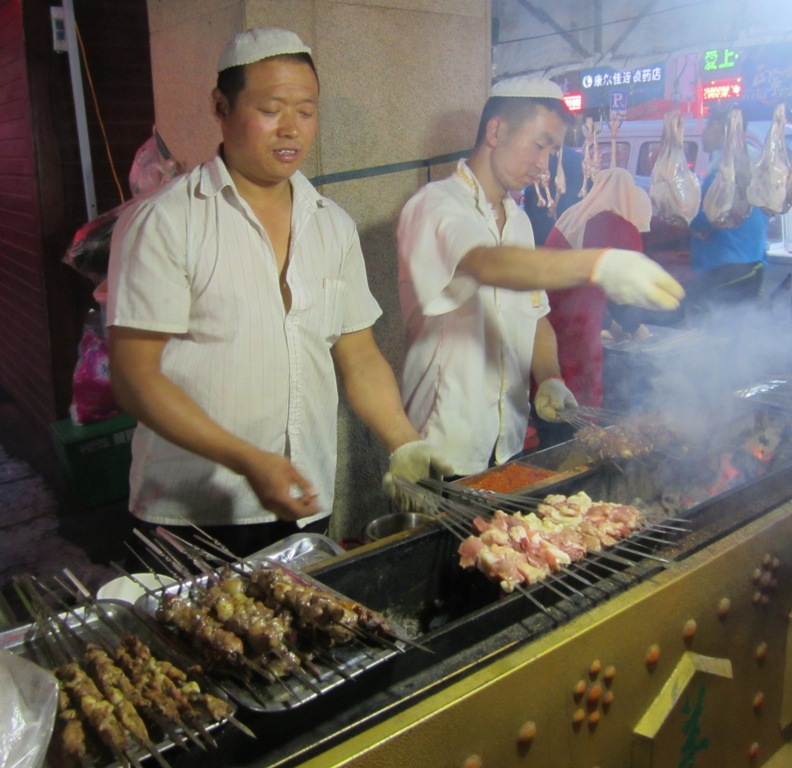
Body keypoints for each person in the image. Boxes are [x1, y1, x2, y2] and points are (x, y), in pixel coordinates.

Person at [106, 27, 449, 556]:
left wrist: (404, 442)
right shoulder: (167, 222)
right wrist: (249, 459)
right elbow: (134, 377)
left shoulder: (331, 224)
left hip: (303, 501)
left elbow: (357, 355)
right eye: (271, 109)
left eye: (306, 111)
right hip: (196, 512)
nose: (291, 128)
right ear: (220, 106)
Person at [396, 75, 685, 477]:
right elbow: (485, 264)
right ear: (496, 131)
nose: (543, 164)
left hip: (507, 442)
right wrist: (599, 265)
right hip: (442, 448)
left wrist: (549, 376)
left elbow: (535, 316)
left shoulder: (517, 221)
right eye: (539, 144)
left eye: (551, 151)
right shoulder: (435, 205)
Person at [544, 167, 653, 408]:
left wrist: (608, 323)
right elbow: (624, 292)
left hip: (547, 315)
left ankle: (554, 434)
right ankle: (577, 438)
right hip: (578, 323)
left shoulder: (574, 214)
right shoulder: (619, 226)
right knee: (578, 391)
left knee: (550, 384)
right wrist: (633, 326)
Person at [687, 108, 769, 317]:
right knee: (735, 332)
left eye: (706, 127)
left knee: (709, 330)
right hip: (752, 262)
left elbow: (709, 217)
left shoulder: (725, 169)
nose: (703, 135)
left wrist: (691, 223)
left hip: (726, 267)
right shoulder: (753, 158)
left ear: (716, 126)